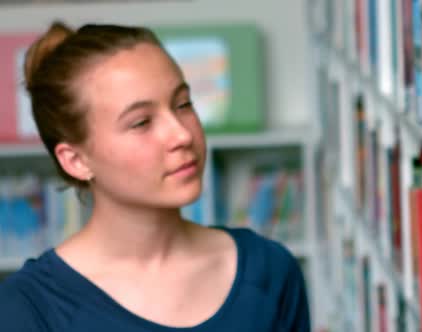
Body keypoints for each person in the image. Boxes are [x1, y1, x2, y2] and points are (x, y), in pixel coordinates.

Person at [0, 21, 310, 332]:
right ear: (76, 160)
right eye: (141, 122)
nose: (181, 134)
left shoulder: (269, 270)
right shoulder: (28, 309)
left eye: (183, 104)